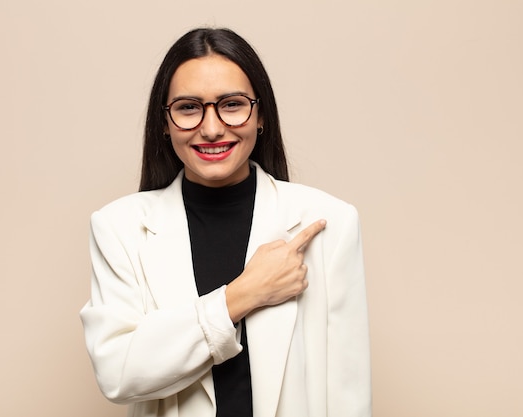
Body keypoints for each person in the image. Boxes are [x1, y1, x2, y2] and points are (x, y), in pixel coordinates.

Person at [80, 27, 371, 417]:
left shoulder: (330, 223)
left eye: (232, 104)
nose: (213, 128)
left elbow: (347, 393)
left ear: (261, 114)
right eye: (188, 107)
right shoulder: (118, 227)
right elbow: (118, 372)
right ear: (164, 123)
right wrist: (241, 296)